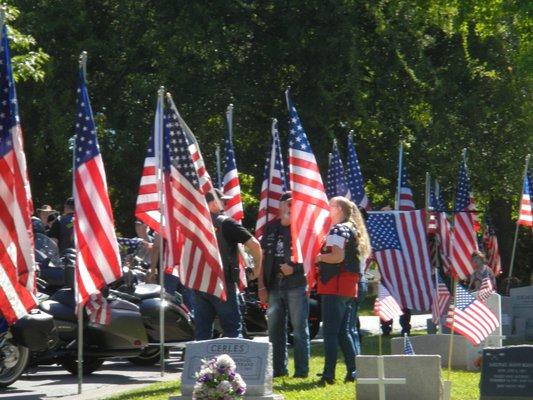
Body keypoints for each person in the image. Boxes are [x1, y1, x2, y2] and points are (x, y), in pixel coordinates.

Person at [194, 188, 263, 340]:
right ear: (212, 203)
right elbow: (255, 245)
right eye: (223, 201)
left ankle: (203, 364)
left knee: (202, 333)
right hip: (222, 283)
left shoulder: (194, 223)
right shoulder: (226, 223)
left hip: (199, 283)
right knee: (232, 329)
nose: (225, 205)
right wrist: (257, 269)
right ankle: (234, 363)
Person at [315, 196, 370, 385]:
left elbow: (337, 256)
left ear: (338, 208)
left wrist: (319, 257)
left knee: (331, 332)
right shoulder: (352, 229)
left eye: (330, 206)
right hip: (347, 287)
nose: (327, 209)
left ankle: (328, 374)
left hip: (335, 286)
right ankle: (354, 371)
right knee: (344, 331)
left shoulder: (338, 229)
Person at [260, 191, 309, 378]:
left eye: (293, 204)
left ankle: (301, 371)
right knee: (274, 330)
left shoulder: (302, 227)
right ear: (280, 206)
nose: (290, 207)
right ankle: (279, 369)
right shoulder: (271, 227)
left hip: (296, 283)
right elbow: (263, 258)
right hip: (274, 284)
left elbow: (311, 257)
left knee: (299, 329)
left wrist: (295, 269)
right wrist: (261, 286)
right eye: (287, 203)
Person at [346, 206, 372, 355]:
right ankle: (356, 356)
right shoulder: (362, 235)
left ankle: (356, 358)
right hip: (359, 280)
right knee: (351, 322)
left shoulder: (356, 235)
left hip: (355, 280)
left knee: (350, 326)